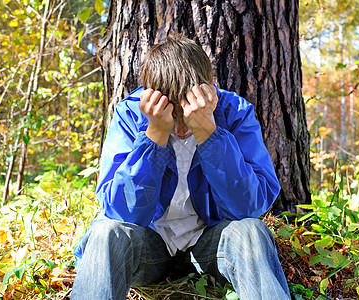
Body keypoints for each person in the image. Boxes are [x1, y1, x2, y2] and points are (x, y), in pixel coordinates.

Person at [71, 35, 291, 300]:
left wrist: (209, 132)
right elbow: (120, 212)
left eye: (188, 112)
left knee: (251, 232)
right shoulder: (131, 114)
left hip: (211, 242)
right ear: (151, 96)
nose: (182, 128)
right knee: (105, 232)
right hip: (150, 245)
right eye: (173, 114)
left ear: (209, 89)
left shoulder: (234, 112)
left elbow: (248, 208)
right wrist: (154, 135)